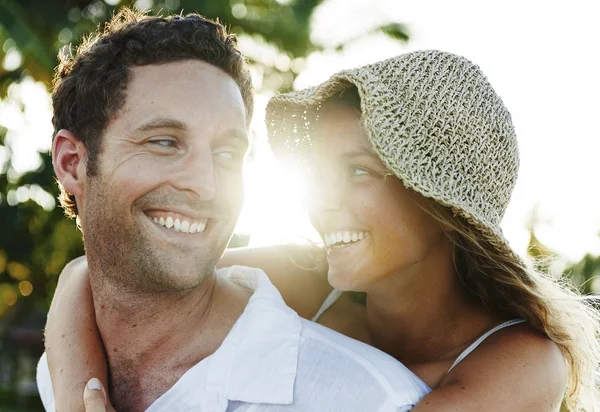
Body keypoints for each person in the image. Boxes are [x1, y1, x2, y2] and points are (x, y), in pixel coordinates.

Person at [43, 46, 600, 412]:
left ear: (443, 209)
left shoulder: (523, 360)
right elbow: (89, 275)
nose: (323, 200)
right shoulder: (306, 275)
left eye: (358, 172)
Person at [35, 9, 435, 412]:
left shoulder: (367, 400)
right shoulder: (57, 373)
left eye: (227, 152)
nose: (206, 184)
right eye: (164, 142)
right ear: (72, 162)